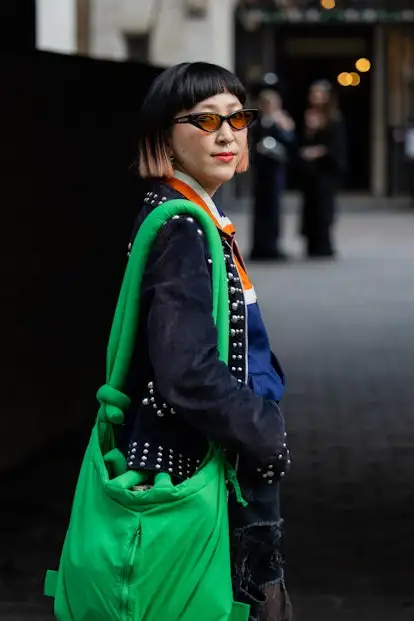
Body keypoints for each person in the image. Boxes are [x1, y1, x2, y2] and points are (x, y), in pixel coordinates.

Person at [118, 62, 292, 621]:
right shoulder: (183, 228)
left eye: (236, 118)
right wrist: (262, 429)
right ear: (162, 139)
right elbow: (186, 370)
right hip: (207, 471)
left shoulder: (199, 216)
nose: (226, 133)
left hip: (221, 464)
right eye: (203, 119)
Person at [298, 81, 347, 258]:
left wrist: (319, 151)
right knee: (310, 207)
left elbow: (337, 147)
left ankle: (324, 244)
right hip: (311, 172)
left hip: (326, 172)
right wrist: (310, 130)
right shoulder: (309, 116)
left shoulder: (334, 119)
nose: (315, 97)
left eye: (318, 93)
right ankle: (311, 243)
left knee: (324, 208)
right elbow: (303, 142)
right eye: (313, 93)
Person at [250, 88, 296, 261]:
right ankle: (260, 245)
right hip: (262, 171)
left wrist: (286, 129)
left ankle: (273, 245)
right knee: (260, 208)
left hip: (275, 170)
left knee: (274, 209)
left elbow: (290, 142)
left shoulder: (281, 120)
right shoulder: (259, 122)